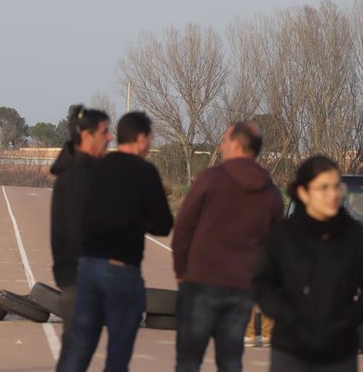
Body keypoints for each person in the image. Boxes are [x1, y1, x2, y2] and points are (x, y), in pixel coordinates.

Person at [56, 111, 173, 372]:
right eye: (151, 137)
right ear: (141, 138)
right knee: (118, 352)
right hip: (121, 270)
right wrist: (138, 221)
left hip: (86, 268)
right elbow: (164, 224)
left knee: (80, 345)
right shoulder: (145, 172)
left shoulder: (96, 168)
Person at [171, 121, 283, 372]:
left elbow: (184, 226)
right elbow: (276, 246)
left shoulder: (211, 179)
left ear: (236, 144)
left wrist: (181, 271)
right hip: (242, 287)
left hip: (201, 282)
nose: (221, 147)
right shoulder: (271, 192)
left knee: (188, 360)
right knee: (231, 361)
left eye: (223, 141)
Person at [253, 156, 363, 372]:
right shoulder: (282, 235)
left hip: (340, 350)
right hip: (291, 349)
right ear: (303, 192)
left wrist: (348, 319)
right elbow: (262, 284)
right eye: (323, 188)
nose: (332, 194)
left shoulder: (354, 236)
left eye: (336, 186)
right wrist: (286, 316)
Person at [49, 105, 112, 345]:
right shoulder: (78, 176)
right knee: (76, 353)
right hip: (82, 279)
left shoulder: (83, 171)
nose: (110, 138)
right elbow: (78, 232)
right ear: (87, 136)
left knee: (78, 352)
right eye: (104, 132)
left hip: (82, 278)